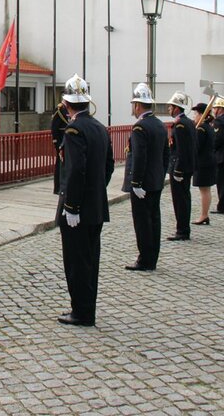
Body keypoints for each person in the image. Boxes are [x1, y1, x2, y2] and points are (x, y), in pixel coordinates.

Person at [56, 74, 114, 327]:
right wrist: (95, 191)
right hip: (96, 205)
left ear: (67, 104)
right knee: (91, 259)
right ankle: (86, 307)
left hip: (78, 208)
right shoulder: (100, 127)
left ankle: (81, 311)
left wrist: (72, 206)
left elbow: (75, 170)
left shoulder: (74, 129)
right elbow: (109, 166)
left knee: (76, 262)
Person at [122, 83, 169, 271]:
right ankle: (152, 258)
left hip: (143, 183)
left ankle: (144, 260)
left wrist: (136, 182)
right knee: (154, 220)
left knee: (142, 222)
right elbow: (166, 154)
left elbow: (139, 157)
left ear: (138, 106)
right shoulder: (159, 124)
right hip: (155, 180)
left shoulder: (139, 127)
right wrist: (161, 174)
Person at [166, 91, 196, 241]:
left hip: (180, 167)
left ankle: (182, 230)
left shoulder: (180, 125)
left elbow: (182, 149)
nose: (169, 110)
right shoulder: (188, 122)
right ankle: (183, 228)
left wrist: (178, 169)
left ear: (177, 108)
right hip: (186, 166)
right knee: (184, 198)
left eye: (171, 107)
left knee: (180, 200)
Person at [191, 103, 216, 224]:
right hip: (209, 161)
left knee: (204, 190)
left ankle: (204, 215)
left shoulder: (201, 129)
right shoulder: (208, 127)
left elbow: (197, 147)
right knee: (206, 190)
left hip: (203, 163)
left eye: (196, 114)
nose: (194, 116)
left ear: (201, 114)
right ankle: (204, 214)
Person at [50, 101, 69, 195]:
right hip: (61, 139)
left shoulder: (69, 108)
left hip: (67, 138)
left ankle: (63, 186)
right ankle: (57, 187)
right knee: (60, 163)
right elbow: (54, 127)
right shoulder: (60, 109)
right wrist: (56, 141)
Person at [211, 97, 224, 215]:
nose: (214, 110)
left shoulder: (219, 121)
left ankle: (222, 206)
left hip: (221, 156)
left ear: (220, 109)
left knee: (221, 182)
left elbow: (217, 139)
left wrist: (212, 149)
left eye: (215, 108)